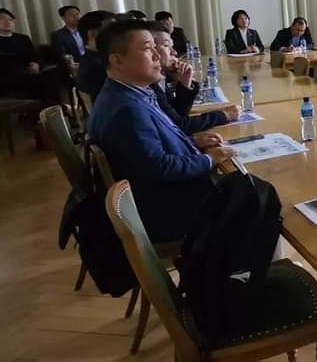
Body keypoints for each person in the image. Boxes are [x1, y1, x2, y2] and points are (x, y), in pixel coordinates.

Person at [87, 21, 236, 243]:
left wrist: (191, 141)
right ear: (117, 59)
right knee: (257, 198)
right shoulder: (126, 109)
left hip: (157, 194)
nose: (158, 56)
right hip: (164, 208)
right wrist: (208, 159)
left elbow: (150, 147)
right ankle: (244, 274)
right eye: (148, 48)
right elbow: (160, 167)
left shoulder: (128, 93)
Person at [151, 22, 238, 132]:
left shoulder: (162, 77)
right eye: (166, 46)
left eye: (172, 46)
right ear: (151, 51)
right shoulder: (148, 85)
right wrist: (224, 115)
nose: (174, 52)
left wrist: (184, 83)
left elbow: (178, 113)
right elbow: (178, 125)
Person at [0, 8, 57, 102]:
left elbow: (35, 56)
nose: (7, 22)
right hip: (2, 79)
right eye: (2, 19)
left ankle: (53, 111)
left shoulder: (23, 38)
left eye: (10, 19)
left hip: (26, 74)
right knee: (39, 85)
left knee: (50, 76)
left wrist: (35, 63)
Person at [75, 10, 116, 99]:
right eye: (112, 30)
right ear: (93, 34)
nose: (117, 35)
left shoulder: (97, 58)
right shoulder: (97, 67)